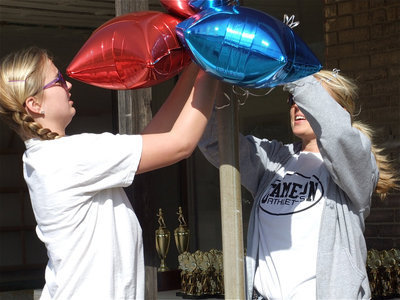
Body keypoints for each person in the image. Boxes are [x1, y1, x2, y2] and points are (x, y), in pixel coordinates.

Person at [0, 46, 219, 299]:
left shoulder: (45, 157)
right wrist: (213, 63)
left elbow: (152, 139)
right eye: (58, 81)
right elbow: (181, 144)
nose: (68, 85)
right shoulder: (69, 156)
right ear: (35, 104)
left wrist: (195, 64)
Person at [198, 70, 398, 299]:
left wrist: (293, 71)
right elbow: (214, 141)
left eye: (308, 100)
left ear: (339, 113)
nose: (297, 105)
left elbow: (340, 136)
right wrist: (208, 74)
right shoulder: (275, 159)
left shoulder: (357, 165)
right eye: (292, 100)